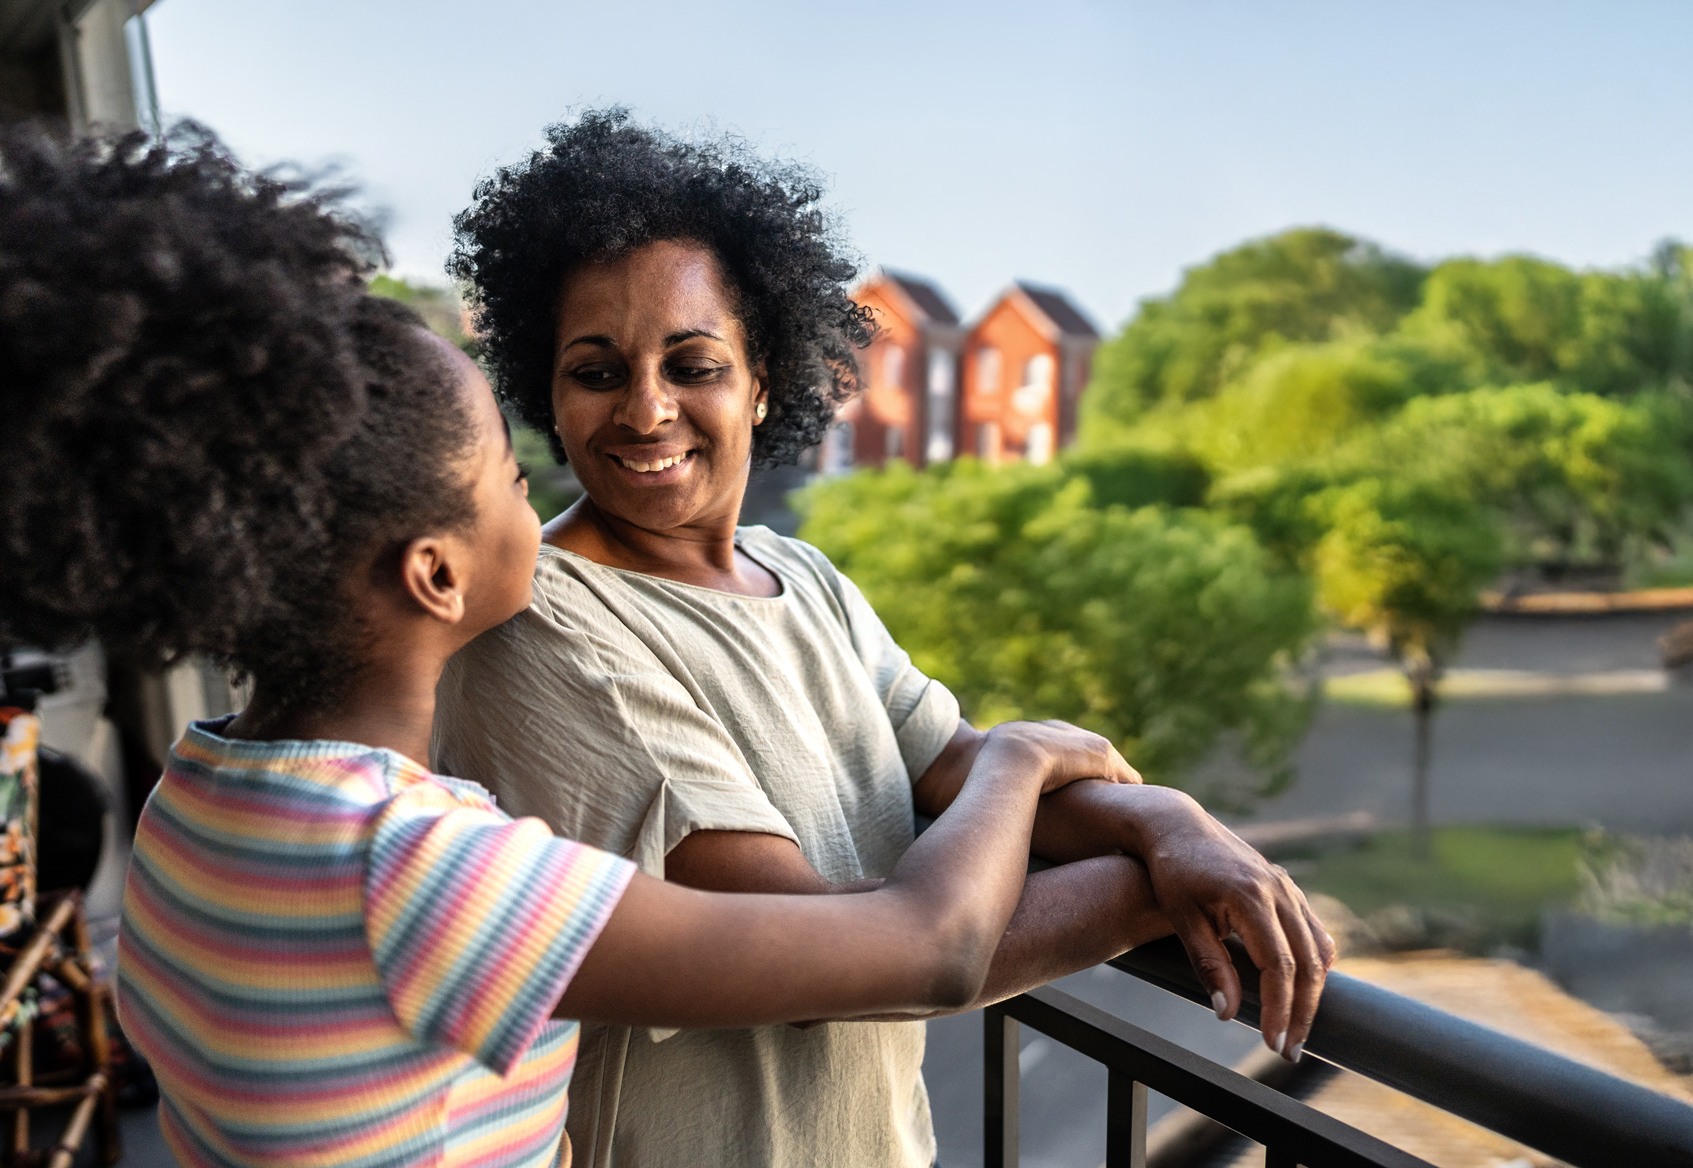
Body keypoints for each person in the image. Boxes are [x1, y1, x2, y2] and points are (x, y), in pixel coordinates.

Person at [0, 124, 1160, 1168]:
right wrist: (1027, 758)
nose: (544, 489)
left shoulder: (197, 800)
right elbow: (926, 951)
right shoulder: (417, 863)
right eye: (502, 476)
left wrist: (1150, 821)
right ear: (436, 572)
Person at [437, 108, 1334, 1168]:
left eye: (693, 364)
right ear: (547, 389)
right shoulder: (544, 623)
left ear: (762, 376)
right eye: (596, 371)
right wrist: (1137, 867)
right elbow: (842, 957)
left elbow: (953, 767)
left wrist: (1172, 819)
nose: (645, 408)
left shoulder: (800, 574)